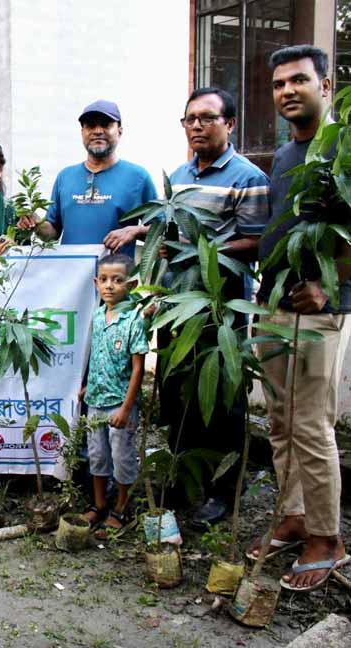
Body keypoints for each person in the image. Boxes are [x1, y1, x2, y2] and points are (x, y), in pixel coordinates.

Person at [250, 45, 351, 592]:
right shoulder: (287, 156)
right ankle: (293, 516)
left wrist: (328, 280)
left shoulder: (343, 150)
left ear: (326, 85)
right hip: (274, 304)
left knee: (312, 425)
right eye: (279, 84)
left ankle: (328, 539)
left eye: (299, 80)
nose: (287, 90)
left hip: (319, 310)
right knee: (281, 421)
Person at [162, 87, 271, 527]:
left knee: (222, 397)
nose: (196, 126)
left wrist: (203, 251)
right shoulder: (180, 173)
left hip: (220, 306)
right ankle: (185, 475)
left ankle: (225, 489)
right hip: (177, 302)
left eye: (207, 118)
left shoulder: (247, 177)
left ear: (230, 124)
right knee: (178, 393)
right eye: (189, 119)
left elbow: (258, 239)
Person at [30, 100, 157, 257]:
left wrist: (135, 231)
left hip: (115, 278)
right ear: (82, 132)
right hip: (71, 278)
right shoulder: (65, 177)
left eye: (105, 124)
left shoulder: (138, 178)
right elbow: (52, 234)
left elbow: (160, 231)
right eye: (90, 126)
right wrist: (34, 222)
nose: (97, 131)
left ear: (120, 131)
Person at [79, 254, 148, 538]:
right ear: (96, 283)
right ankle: (98, 504)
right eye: (104, 280)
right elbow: (95, 354)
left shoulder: (134, 320)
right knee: (97, 455)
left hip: (119, 404)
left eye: (117, 280)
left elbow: (138, 368)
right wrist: (87, 384)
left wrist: (126, 407)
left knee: (122, 457)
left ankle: (121, 507)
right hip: (95, 400)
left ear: (130, 284)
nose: (109, 286)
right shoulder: (97, 315)